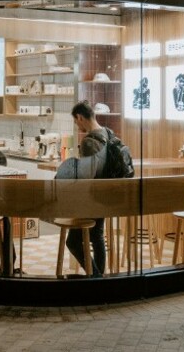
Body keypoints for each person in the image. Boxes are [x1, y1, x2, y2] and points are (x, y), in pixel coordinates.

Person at [68, 100, 109, 277]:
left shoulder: (88, 142)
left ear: (80, 117)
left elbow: (87, 175)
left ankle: (95, 276)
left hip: (91, 198)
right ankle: (98, 280)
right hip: (107, 195)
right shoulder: (108, 134)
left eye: (76, 121)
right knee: (97, 237)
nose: (77, 125)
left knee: (73, 241)